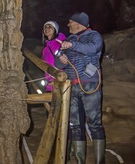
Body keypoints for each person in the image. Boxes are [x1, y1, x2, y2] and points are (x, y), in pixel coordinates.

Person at [54, 12, 106, 164]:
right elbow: (58, 64)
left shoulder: (94, 36)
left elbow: (94, 48)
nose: (68, 25)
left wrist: (73, 45)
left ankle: (99, 161)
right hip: (72, 86)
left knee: (94, 123)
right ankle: (79, 161)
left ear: (78, 23)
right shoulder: (68, 40)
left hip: (90, 84)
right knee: (75, 125)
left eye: (70, 22)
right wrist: (61, 60)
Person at [41, 21, 66, 92]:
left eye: (50, 26)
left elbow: (65, 62)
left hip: (59, 79)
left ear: (55, 29)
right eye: (45, 27)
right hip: (49, 82)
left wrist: (57, 79)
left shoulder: (61, 43)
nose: (47, 28)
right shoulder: (45, 49)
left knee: (61, 102)